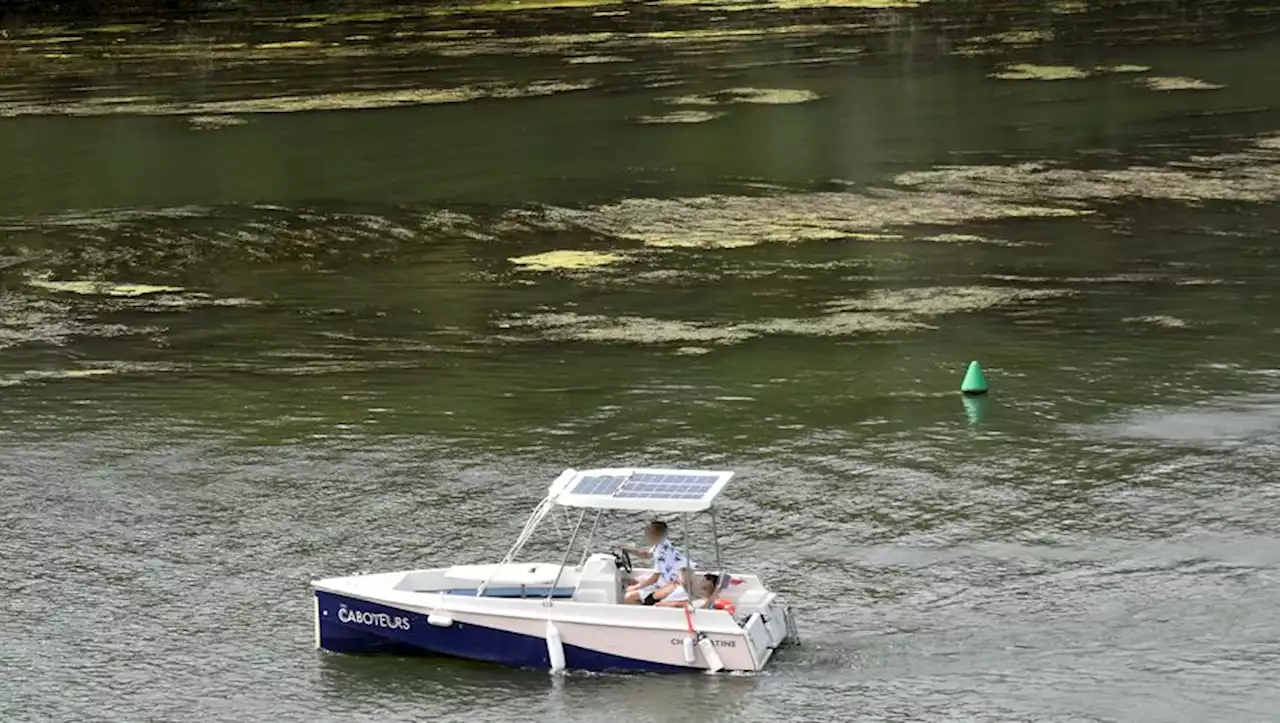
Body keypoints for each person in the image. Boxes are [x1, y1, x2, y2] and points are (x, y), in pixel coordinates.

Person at [623, 520, 692, 605]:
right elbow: (647, 554)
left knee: (628, 596)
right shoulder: (662, 543)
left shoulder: (660, 553)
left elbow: (655, 578)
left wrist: (635, 587)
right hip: (669, 578)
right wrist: (628, 550)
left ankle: (644, 611)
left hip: (667, 584)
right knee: (632, 580)